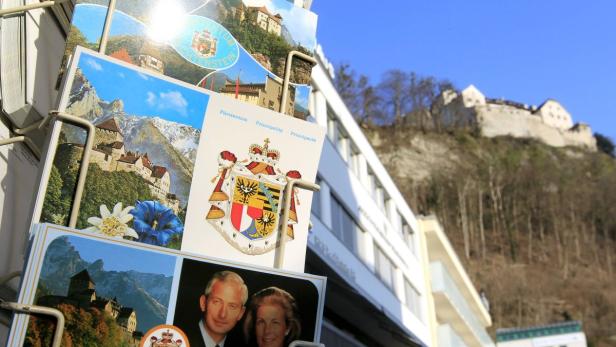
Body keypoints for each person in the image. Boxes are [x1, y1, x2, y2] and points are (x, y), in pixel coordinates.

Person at [192, 271, 249, 347]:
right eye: (217, 302)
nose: (222, 314)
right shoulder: (176, 339)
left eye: (232, 306)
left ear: (241, 313)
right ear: (203, 303)